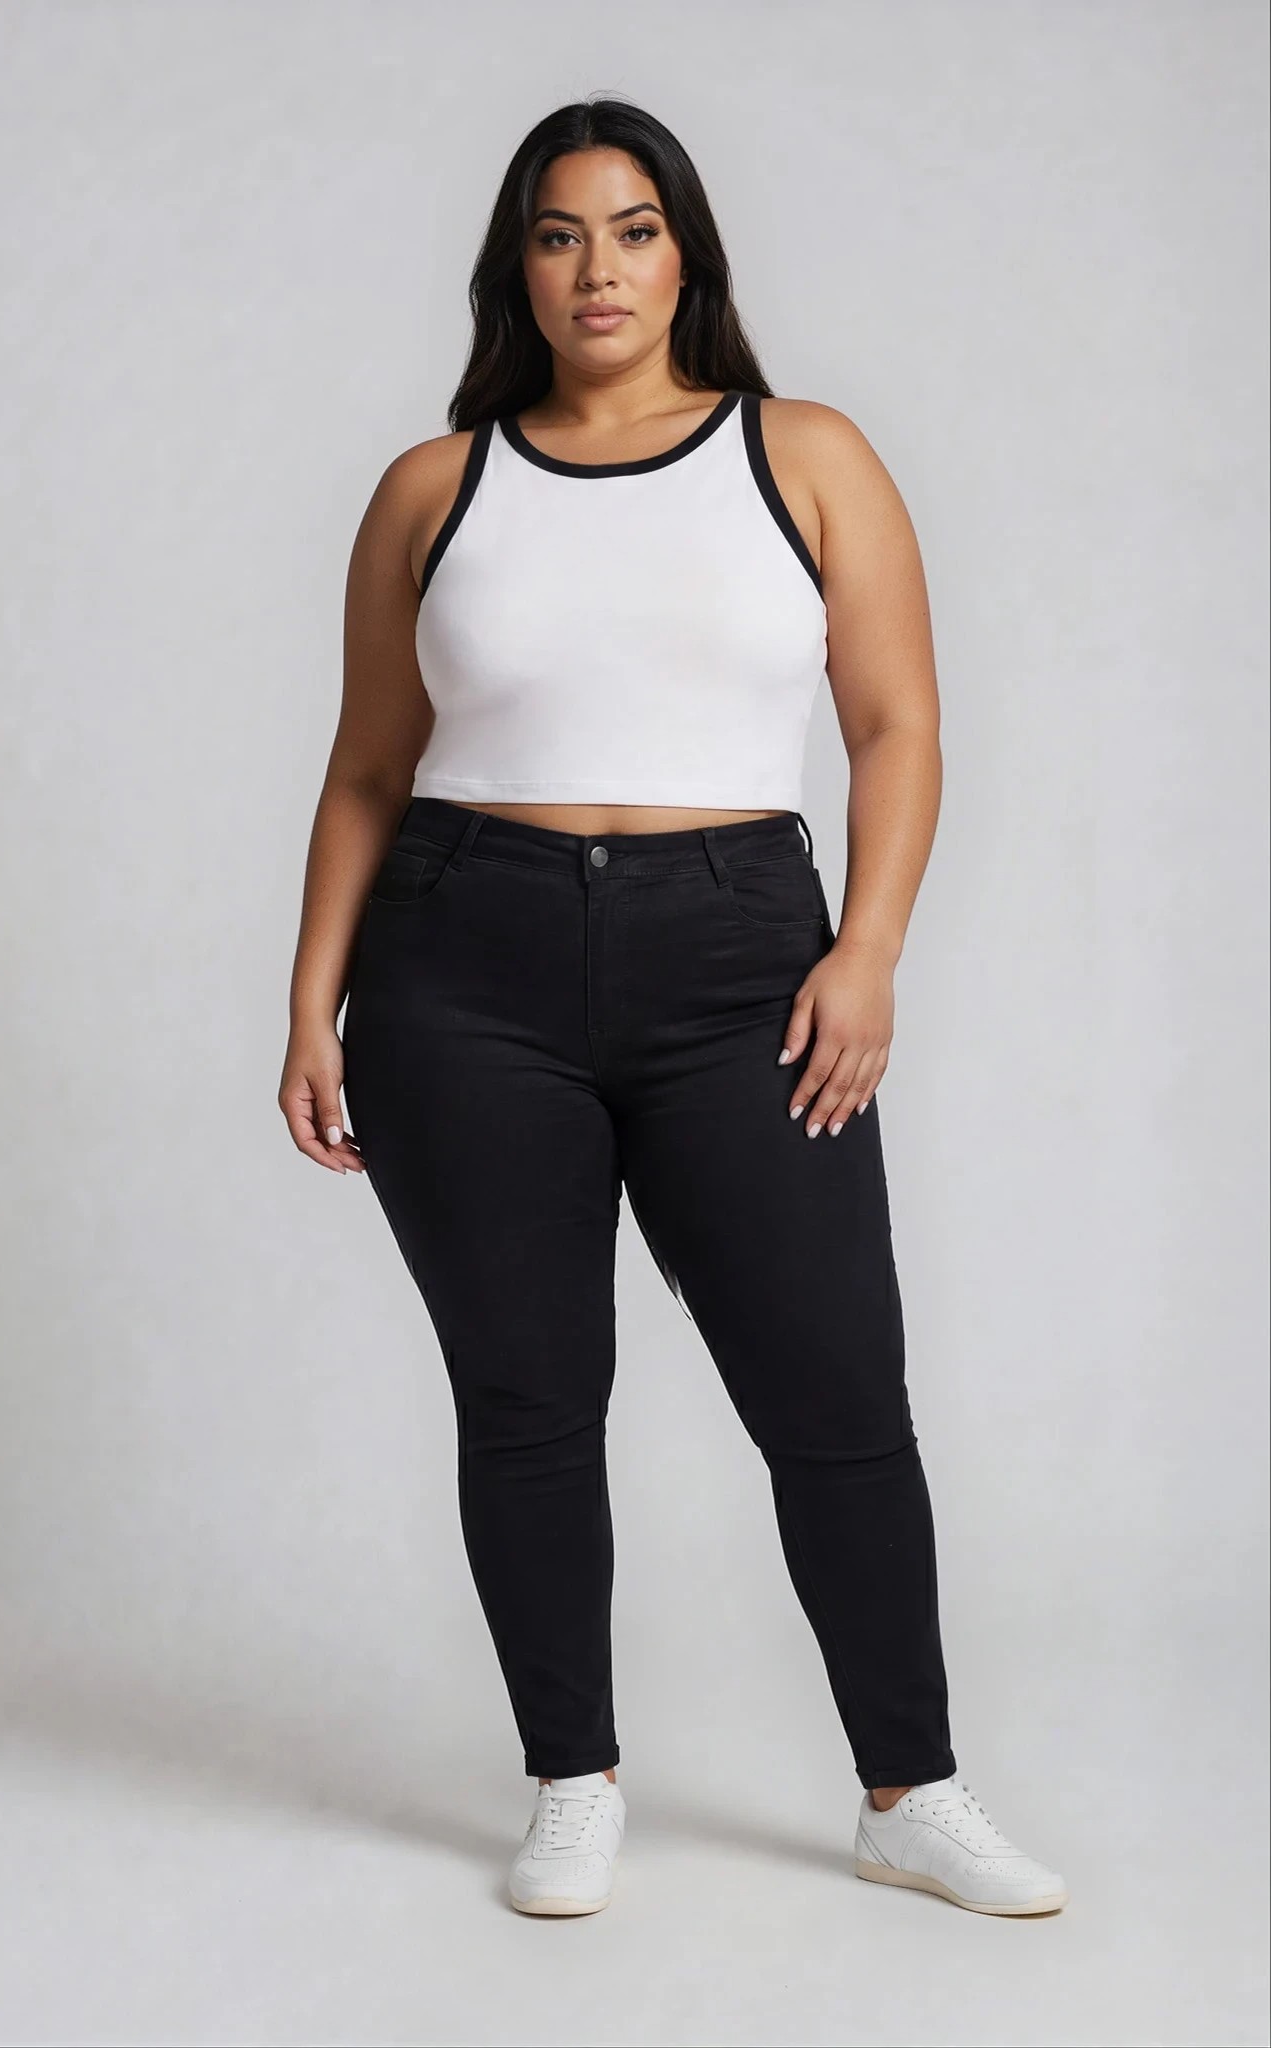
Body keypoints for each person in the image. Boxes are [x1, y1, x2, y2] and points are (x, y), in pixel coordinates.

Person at [279, 96, 1069, 1921]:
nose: (599, 269)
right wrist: (313, 1004)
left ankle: (911, 1790)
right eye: (560, 235)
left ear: (686, 252)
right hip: (461, 966)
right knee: (529, 1397)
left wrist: (866, 949)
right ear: (517, 268)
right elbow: (367, 768)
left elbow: (898, 726)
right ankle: (572, 1781)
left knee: (834, 1390)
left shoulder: (805, 454)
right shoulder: (434, 489)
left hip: (738, 961)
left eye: (633, 230)